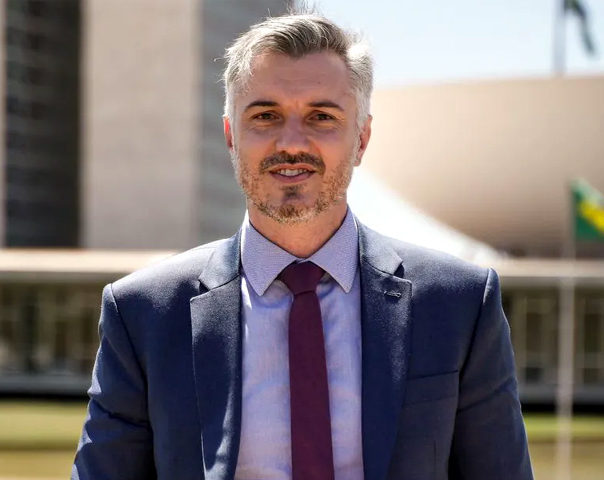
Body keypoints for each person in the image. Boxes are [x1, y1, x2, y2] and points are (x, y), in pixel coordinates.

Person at [72, 11, 534, 480]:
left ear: (361, 139)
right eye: (265, 116)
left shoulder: (458, 305)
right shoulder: (143, 313)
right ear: (231, 136)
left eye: (322, 117)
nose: (291, 143)